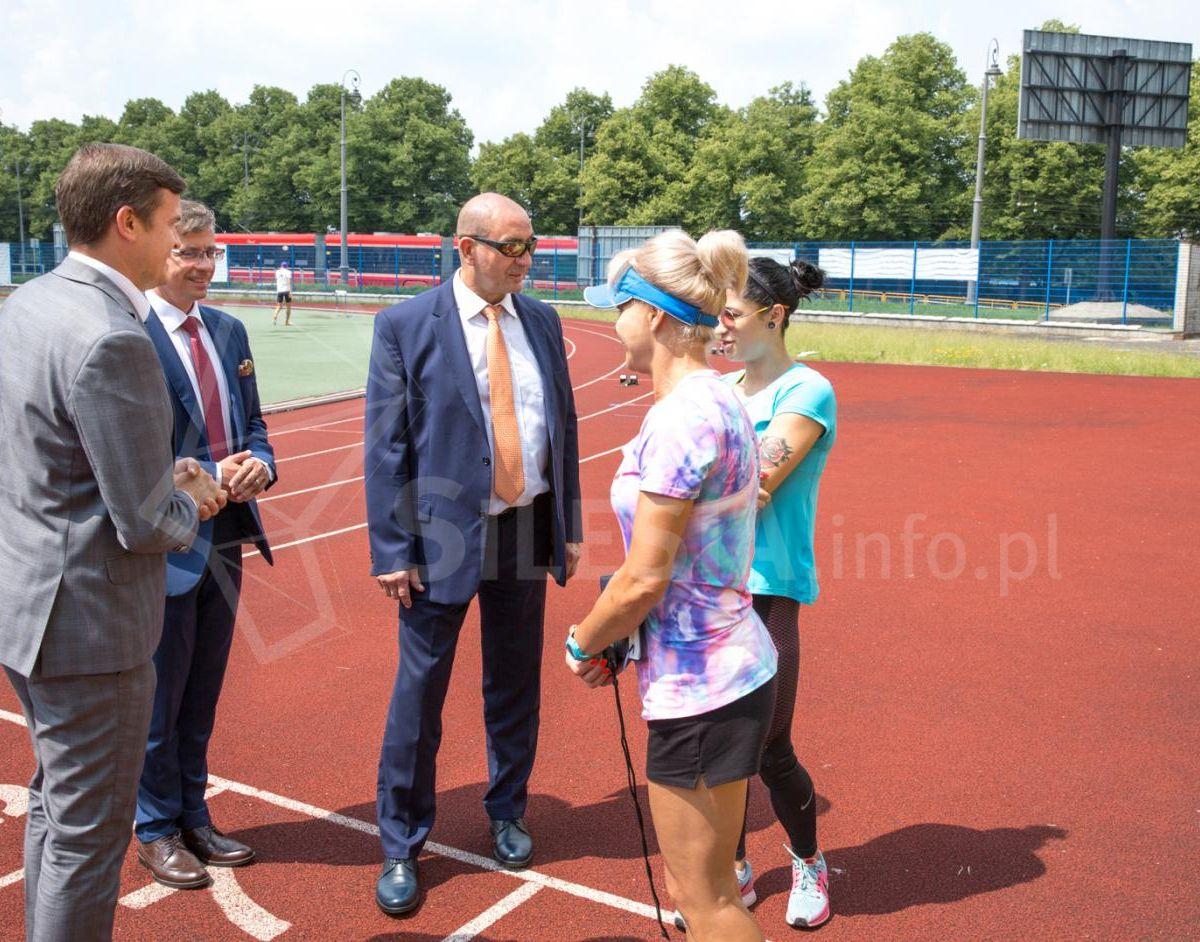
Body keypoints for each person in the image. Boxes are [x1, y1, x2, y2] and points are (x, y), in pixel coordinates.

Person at [0, 143, 223, 942]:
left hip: (28, 607)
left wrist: (157, 472)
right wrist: (195, 499)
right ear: (126, 222)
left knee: (59, 814)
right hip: (90, 629)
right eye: (168, 225)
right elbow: (143, 523)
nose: (177, 243)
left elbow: (57, 455)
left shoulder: (30, 302)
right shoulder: (112, 335)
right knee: (89, 841)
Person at [364, 193, 582, 916]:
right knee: (418, 697)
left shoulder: (543, 322)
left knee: (515, 684)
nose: (526, 260)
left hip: (522, 527)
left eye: (531, 247)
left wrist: (566, 524)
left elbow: (563, 425)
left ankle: (508, 811)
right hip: (439, 540)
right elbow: (386, 444)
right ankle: (400, 842)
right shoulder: (404, 326)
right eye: (511, 247)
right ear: (465, 247)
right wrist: (393, 548)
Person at [567, 228, 777, 942]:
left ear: (651, 316)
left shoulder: (680, 420)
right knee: (717, 889)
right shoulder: (719, 399)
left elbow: (643, 579)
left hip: (701, 689)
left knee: (704, 897)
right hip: (730, 665)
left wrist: (583, 641)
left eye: (617, 306)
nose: (610, 322)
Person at [136, 199, 278, 888]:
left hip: (226, 536)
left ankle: (193, 813)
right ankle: (155, 826)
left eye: (209, 252)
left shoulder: (228, 330)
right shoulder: (129, 334)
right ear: (157, 253)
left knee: (202, 691)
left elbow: (254, 425)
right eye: (187, 252)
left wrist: (260, 465)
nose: (201, 265)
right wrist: (195, 476)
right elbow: (122, 453)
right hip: (163, 545)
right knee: (161, 694)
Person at [714, 256, 835, 929]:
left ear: (774, 315)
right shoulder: (725, 388)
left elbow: (754, 486)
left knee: (768, 748)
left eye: (730, 312)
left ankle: (808, 862)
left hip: (767, 590)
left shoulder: (806, 391)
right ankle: (732, 867)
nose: (720, 326)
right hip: (712, 588)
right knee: (715, 742)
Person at [272, 260, 292, 325]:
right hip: (286, 290)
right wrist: (290, 292)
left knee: (279, 306)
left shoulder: (277, 272)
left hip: (279, 290)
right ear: (287, 266)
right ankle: (287, 321)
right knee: (288, 307)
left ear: (281, 266)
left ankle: (275, 315)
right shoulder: (288, 272)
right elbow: (288, 282)